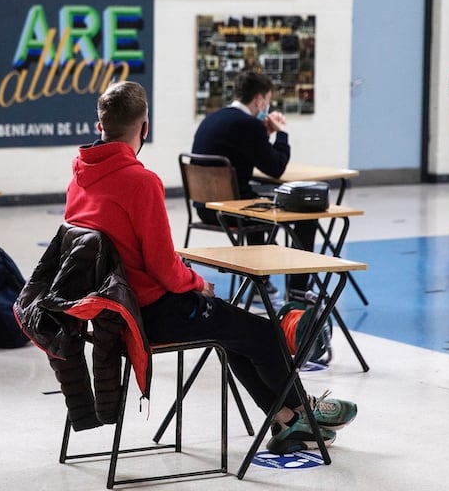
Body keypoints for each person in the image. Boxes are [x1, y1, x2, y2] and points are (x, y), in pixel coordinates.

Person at [64, 80, 356, 454]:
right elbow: (163, 267)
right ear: (145, 127)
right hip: (151, 313)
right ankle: (303, 411)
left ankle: (288, 419)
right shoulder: (140, 182)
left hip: (109, 314)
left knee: (235, 333)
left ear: (99, 126)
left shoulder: (78, 178)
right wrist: (197, 283)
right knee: (263, 334)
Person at [191, 70, 318, 301]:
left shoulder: (212, 118)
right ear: (259, 100)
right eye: (267, 101)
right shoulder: (248, 125)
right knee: (305, 216)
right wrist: (282, 134)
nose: (267, 107)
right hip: (233, 212)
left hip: (204, 208)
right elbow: (276, 168)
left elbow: (247, 151)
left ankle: (263, 283)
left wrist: (263, 134)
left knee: (257, 204)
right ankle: (299, 288)